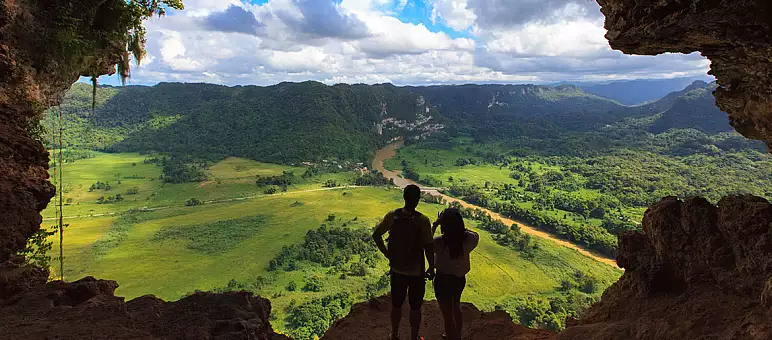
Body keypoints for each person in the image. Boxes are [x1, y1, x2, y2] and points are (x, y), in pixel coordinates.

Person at [373, 184, 434, 340]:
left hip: (397, 269)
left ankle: (394, 335)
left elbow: (376, 235)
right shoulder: (423, 220)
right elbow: (428, 247)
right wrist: (431, 267)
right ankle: (414, 337)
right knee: (415, 308)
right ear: (418, 200)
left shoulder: (393, 216)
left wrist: (388, 254)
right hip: (416, 272)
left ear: (404, 197)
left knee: (396, 305)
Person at [428, 208, 479, 340]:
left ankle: (451, 336)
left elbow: (426, 244)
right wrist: (459, 228)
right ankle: (457, 336)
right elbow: (474, 234)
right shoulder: (469, 240)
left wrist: (435, 225)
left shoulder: (439, 242)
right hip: (459, 280)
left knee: (447, 316)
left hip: (442, 280)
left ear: (443, 225)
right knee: (456, 307)